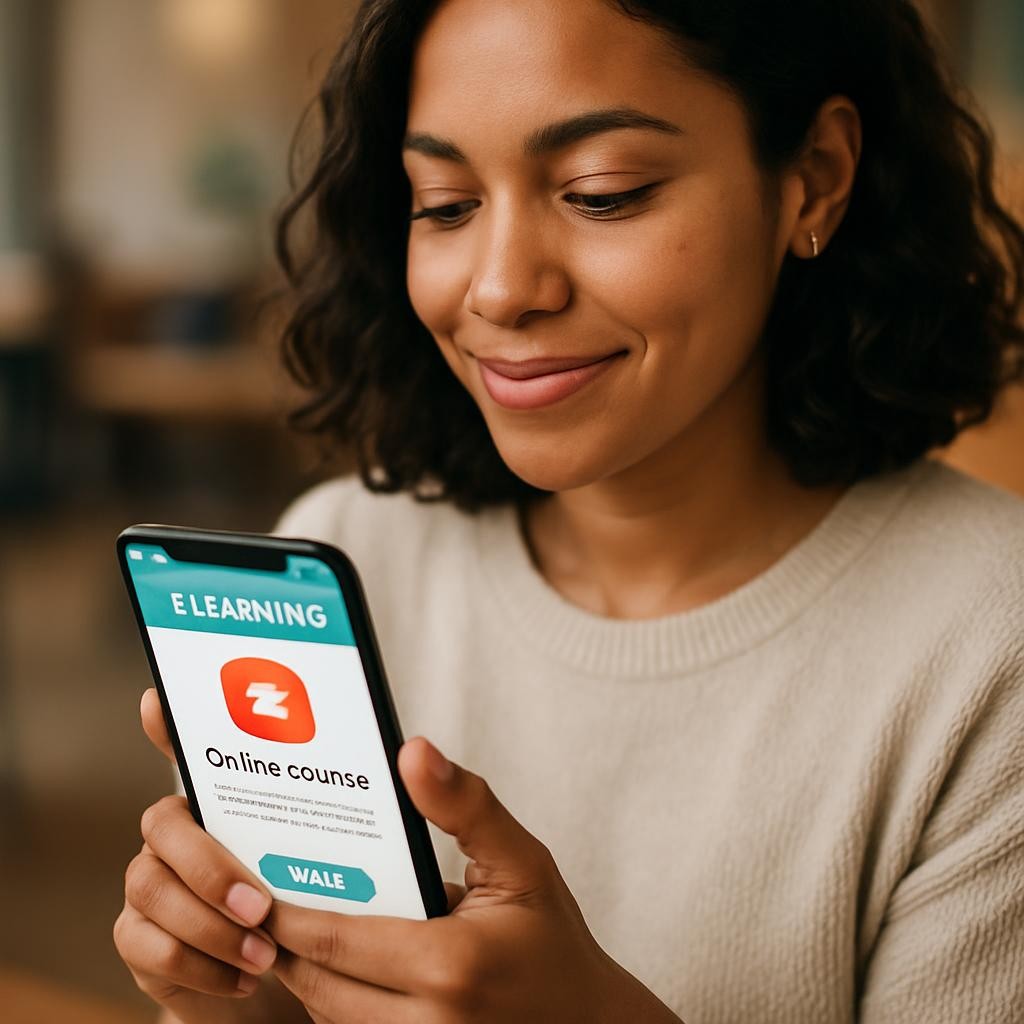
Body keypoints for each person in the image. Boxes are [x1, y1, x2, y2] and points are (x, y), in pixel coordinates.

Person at [113, 0, 1024, 1020]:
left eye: (603, 193)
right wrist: (231, 987)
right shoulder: (350, 552)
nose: (501, 289)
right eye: (446, 205)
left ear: (813, 175)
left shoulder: (990, 640)